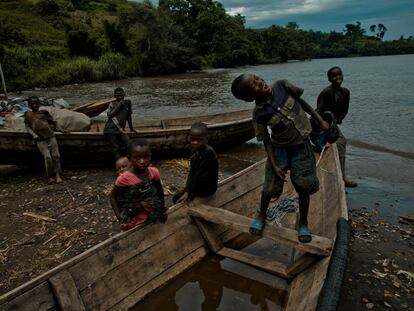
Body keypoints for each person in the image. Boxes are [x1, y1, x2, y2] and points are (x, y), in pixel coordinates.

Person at [231, 74, 329, 243]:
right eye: (253, 85)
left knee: (303, 185)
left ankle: (303, 222)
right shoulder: (258, 113)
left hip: (302, 147)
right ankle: (261, 214)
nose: (260, 82)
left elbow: (302, 102)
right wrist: (275, 165)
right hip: (279, 150)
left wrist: (319, 119)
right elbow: (265, 140)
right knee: (269, 188)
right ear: (248, 98)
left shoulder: (282, 86)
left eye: (257, 78)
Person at [109, 139, 167, 231]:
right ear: (130, 158)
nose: (142, 161)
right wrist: (121, 219)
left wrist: (162, 209)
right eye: (137, 158)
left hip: (152, 212)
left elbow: (160, 191)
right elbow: (113, 197)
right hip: (134, 217)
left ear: (150, 156)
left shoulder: (154, 172)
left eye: (146, 156)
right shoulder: (124, 178)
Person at [317, 66, 357, 187]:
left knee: (340, 142)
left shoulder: (345, 92)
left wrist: (337, 121)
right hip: (321, 123)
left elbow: (345, 110)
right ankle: (341, 178)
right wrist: (324, 126)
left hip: (332, 124)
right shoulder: (326, 92)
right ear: (329, 79)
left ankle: (341, 177)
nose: (338, 77)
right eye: (334, 76)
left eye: (339, 74)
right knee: (340, 142)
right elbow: (318, 111)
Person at [172, 122, 219, 204]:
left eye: (199, 140)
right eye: (193, 139)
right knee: (176, 197)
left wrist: (190, 193)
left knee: (181, 199)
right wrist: (187, 190)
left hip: (207, 188)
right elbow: (192, 172)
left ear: (206, 139)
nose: (195, 142)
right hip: (198, 183)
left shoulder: (208, 152)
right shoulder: (194, 151)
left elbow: (199, 175)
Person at [24, 96, 63, 184]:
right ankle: (50, 176)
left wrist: (60, 128)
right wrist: (33, 135)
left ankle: (57, 175)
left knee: (56, 156)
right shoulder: (27, 114)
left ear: (39, 104)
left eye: (36, 103)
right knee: (47, 157)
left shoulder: (44, 112)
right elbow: (27, 126)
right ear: (29, 105)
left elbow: (54, 122)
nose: (35, 105)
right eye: (32, 104)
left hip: (50, 136)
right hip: (40, 139)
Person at [104, 87, 136, 160]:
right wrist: (119, 106)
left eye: (121, 95)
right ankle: (120, 166)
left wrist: (131, 128)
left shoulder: (128, 103)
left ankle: (127, 161)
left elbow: (129, 117)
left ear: (124, 94)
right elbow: (109, 115)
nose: (120, 97)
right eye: (118, 95)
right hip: (110, 130)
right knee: (115, 148)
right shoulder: (111, 104)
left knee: (128, 144)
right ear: (115, 96)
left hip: (120, 130)